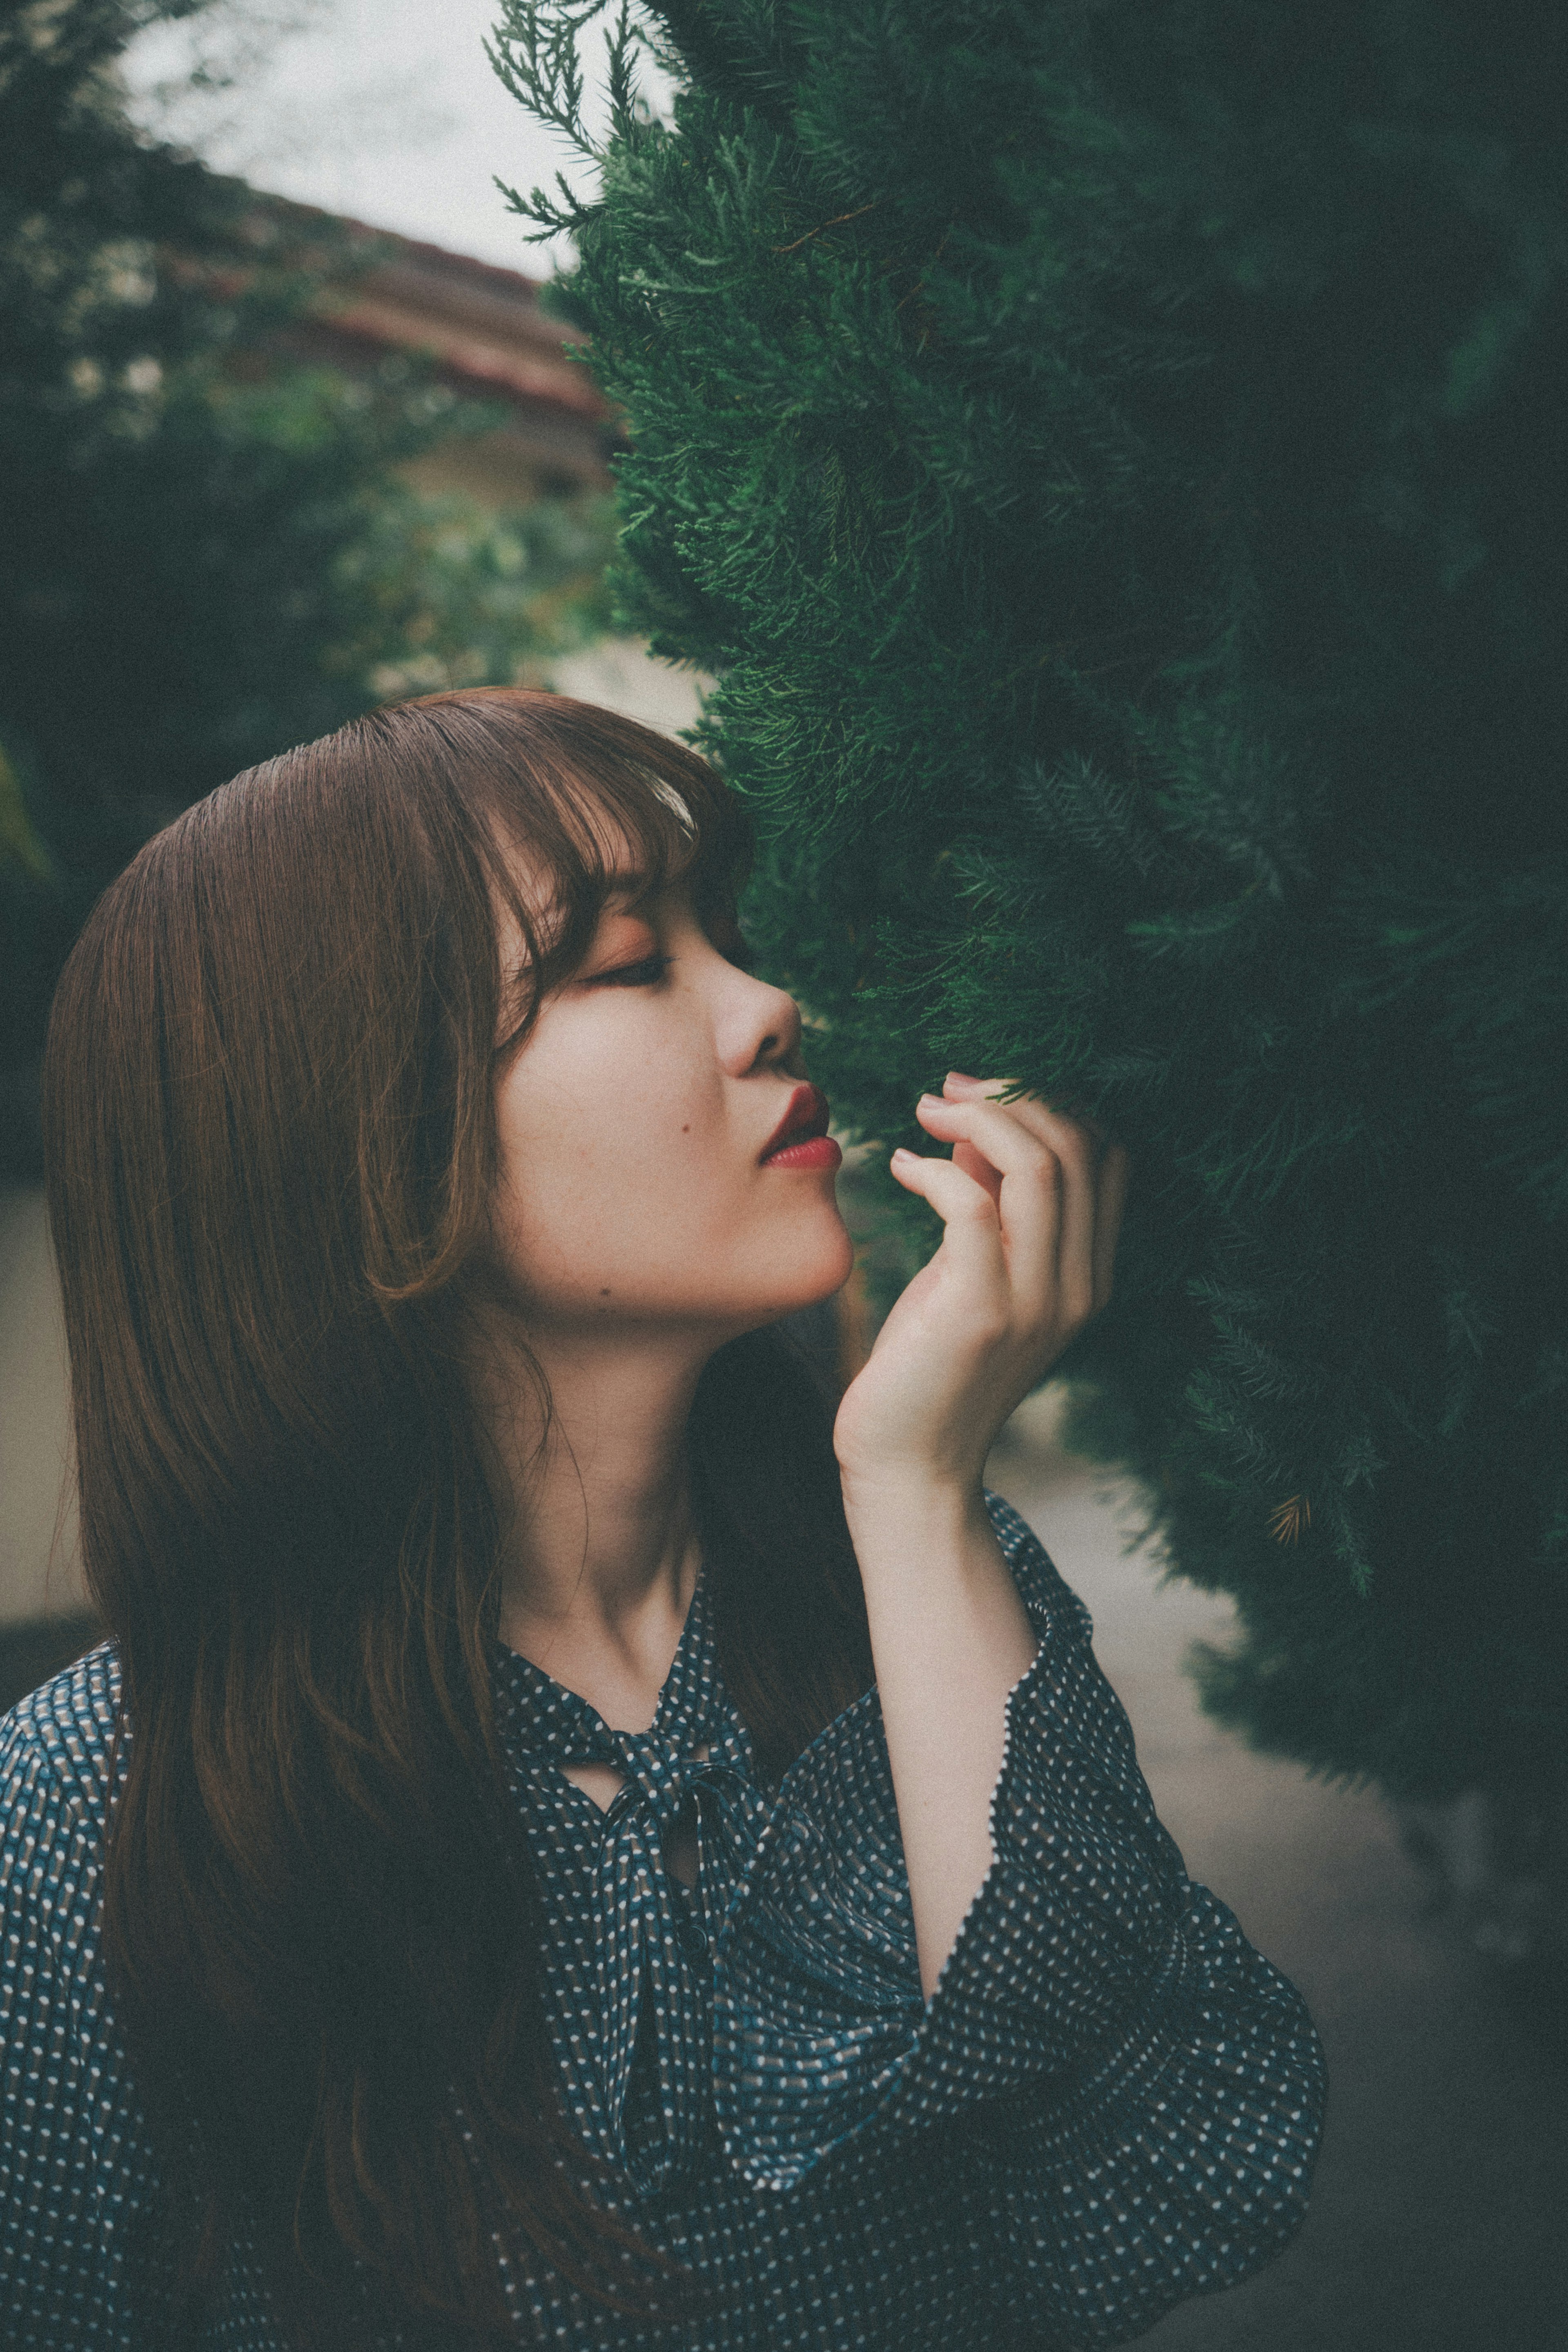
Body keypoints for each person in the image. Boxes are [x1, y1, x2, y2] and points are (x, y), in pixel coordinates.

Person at [0, 689, 1325, 2350]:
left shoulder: (897, 1595)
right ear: (360, 1142)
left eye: (731, 935)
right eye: (628, 962)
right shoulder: (80, 1837)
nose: (771, 1005)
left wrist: (916, 1488)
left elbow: (1147, 2174)